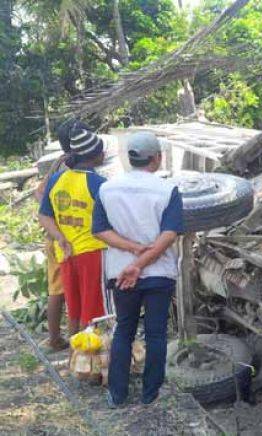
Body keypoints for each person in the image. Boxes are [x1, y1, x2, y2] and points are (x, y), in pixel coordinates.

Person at [92, 132, 183, 407]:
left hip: (121, 273)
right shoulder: (167, 189)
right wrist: (142, 261)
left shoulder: (107, 189)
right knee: (156, 333)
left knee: (124, 329)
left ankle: (117, 394)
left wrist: (132, 253)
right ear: (157, 158)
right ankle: (150, 393)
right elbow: (169, 235)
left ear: (129, 158)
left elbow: (100, 231)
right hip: (158, 274)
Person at [38, 127, 107, 334]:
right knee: (92, 311)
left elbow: (44, 215)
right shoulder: (99, 184)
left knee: (74, 309)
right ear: (96, 156)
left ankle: (75, 359)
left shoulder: (56, 179)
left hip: (65, 253)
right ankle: (89, 359)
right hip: (92, 252)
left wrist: (60, 237)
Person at [34, 119, 93, 351]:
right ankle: (65, 341)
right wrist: (59, 220)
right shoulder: (70, 167)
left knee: (57, 289)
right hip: (67, 239)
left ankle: (56, 338)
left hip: (55, 236)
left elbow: (39, 194)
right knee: (65, 292)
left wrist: (51, 214)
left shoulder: (60, 162)